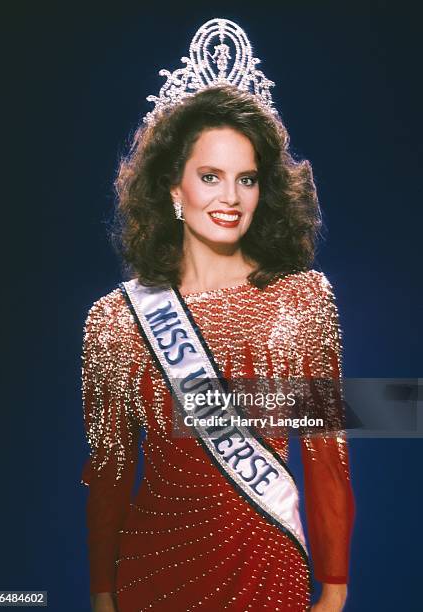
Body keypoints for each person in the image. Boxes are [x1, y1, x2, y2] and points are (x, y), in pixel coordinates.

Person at [80, 18, 355, 612]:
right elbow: (109, 475)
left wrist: (335, 590)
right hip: (152, 575)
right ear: (174, 190)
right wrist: (102, 595)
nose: (230, 198)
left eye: (247, 179)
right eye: (210, 177)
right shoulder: (117, 321)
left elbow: (327, 453)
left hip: (268, 568)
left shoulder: (302, 302)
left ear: (265, 190)